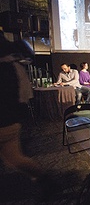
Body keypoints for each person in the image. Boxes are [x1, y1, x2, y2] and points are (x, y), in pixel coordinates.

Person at [0, 32, 46, 188]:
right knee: (15, 158)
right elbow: (25, 97)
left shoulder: (7, 68)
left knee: (14, 158)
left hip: (5, 121)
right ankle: (44, 180)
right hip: (11, 121)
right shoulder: (15, 66)